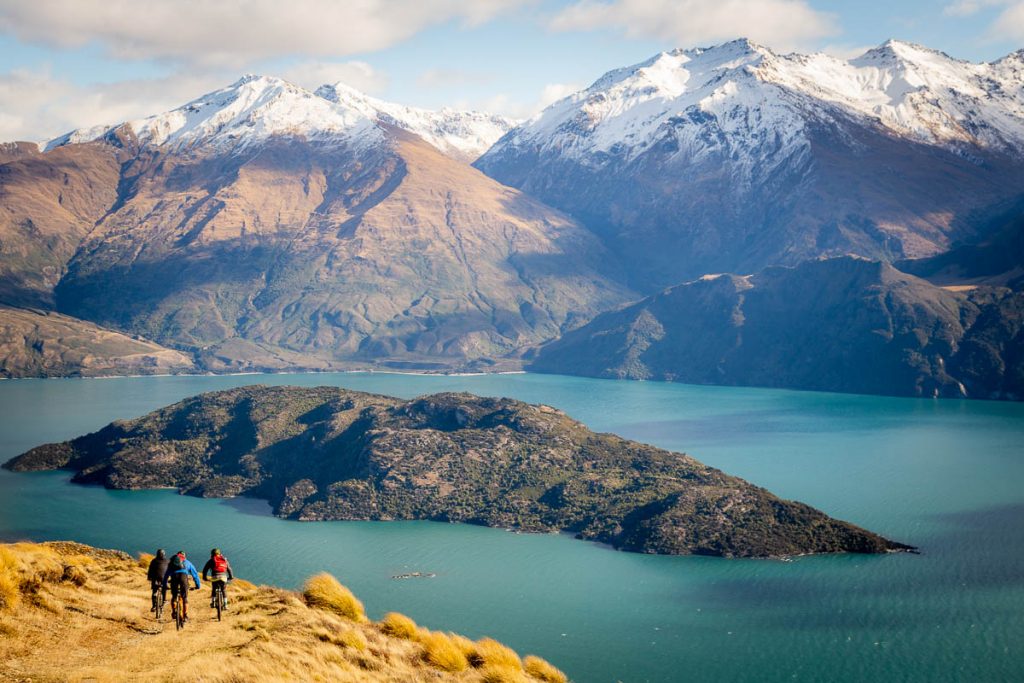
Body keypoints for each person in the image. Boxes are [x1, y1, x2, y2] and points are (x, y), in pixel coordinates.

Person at [163, 550, 201, 622]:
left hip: (174, 578)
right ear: (185, 556)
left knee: (174, 597)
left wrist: (165, 585)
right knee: (184, 598)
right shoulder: (188, 563)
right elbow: (195, 574)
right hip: (183, 578)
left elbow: (166, 575)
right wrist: (197, 585)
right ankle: (185, 616)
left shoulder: (172, 562)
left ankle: (174, 612)